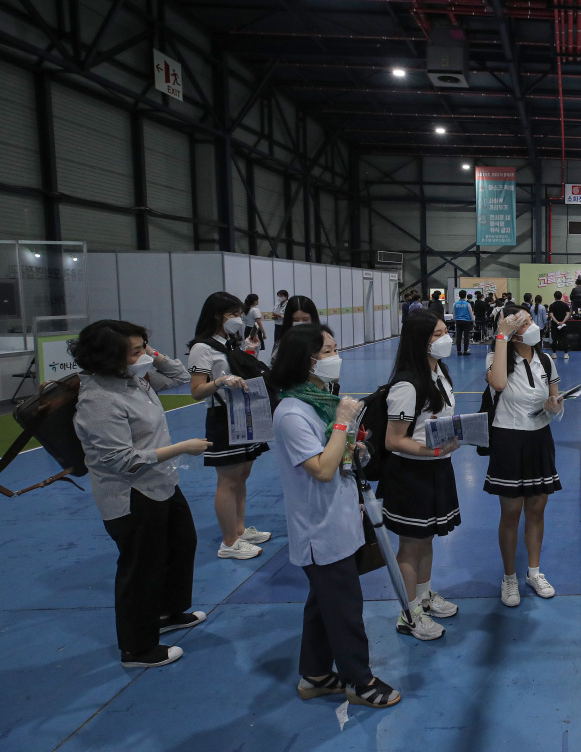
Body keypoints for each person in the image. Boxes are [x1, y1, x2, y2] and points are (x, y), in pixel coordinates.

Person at [270, 324, 401, 708]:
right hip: (320, 526)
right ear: (306, 360)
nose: (335, 358)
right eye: (327, 351)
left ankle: (314, 675)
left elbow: (337, 457)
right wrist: (343, 421)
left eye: (334, 349)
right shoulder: (292, 413)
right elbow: (322, 469)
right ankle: (360, 682)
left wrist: (354, 450)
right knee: (344, 608)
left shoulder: (318, 402)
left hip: (340, 517)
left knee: (322, 603)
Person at [71, 319, 210, 668]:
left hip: (160, 482)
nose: (144, 355)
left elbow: (179, 375)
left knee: (181, 542)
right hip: (130, 494)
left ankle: (167, 612)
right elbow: (120, 461)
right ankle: (137, 648)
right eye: (136, 351)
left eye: (144, 346)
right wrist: (180, 448)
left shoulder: (133, 378)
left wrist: (151, 353)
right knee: (141, 567)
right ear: (110, 357)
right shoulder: (99, 399)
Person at [379, 310, 462, 641]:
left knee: (426, 538)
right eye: (437, 334)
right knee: (410, 545)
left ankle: (424, 596)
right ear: (420, 341)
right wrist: (432, 452)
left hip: (436, 467)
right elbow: (393, 440)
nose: (446, 338)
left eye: (445, 331)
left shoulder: (439, 372)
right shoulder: (407, 384)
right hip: (411, 474)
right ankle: (409, 612)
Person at [485, 306, 564, 608]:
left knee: (537, 509)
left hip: (539, 439)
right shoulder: (496, 358)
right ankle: (509, 578)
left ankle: (534, 571)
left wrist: (555, 406)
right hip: (509, 439)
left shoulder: (545, 359)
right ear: (510, 329)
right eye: (523, 322)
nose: (531, 326)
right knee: (511, 513)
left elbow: (553, 398)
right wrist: (501, 336)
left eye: (530, 320)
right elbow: (499, 384)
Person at [188, 292, 271, 560]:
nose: (238, 319)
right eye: (233, 314)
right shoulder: (203, 348)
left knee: (242, 475)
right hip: (222, 418)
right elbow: (197, 390)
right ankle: (229, 542)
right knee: (228, 480)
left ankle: (239, 528)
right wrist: (221, 383)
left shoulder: (230, 343)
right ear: (217, 316)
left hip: (244, 412)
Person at [549, 291, 573, 360]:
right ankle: (566, 354)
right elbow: (568, 315)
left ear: (554, 297)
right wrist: (562, 322)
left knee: (554, 340)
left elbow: (551, 315)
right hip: (563, 325)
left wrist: (557, 322)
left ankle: (554, 354)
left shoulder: (552, 305)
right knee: (565, 339)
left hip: (554, 325)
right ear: (561, 296)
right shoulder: (565, 305)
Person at [451, 290, 474, 356]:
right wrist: (473, 321)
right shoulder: (467, 304)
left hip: (458, 321)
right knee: (466, 336)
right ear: (465, 296)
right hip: (466, 321)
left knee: (458, 336)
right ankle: (465, 351)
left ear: (459, 295)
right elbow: (471, 314)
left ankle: (459, 351)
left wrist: (455, 321)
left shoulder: (455, 304)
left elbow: (454, 314)